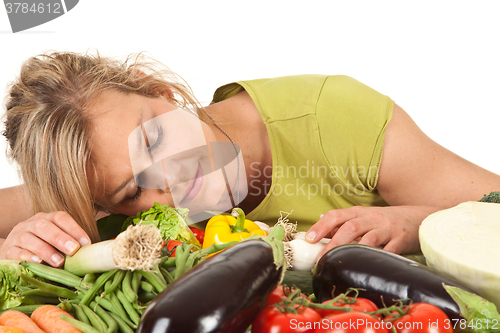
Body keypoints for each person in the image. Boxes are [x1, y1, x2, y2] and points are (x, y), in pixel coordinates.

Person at [1, 51, 499, 268]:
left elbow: (494, 208)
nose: (171, 182)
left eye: (152, 141)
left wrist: (415, 224)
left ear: (162, 91)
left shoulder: (331, 117)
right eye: (133, 191)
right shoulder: (95, 188)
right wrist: (15, 249)